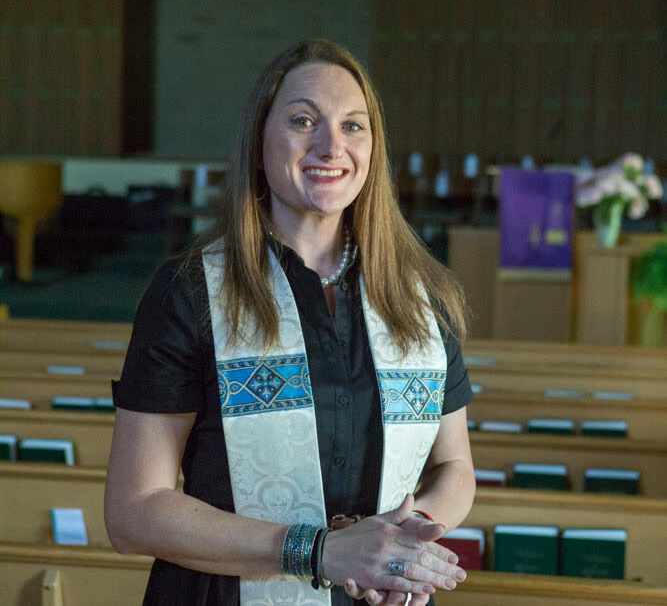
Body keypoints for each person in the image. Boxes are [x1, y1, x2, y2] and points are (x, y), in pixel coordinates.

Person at [105, 39, 476, 606]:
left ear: (373, 149)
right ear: (258, 143)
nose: (332, 146)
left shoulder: (423, 294)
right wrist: (322, 551)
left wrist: (402, 541)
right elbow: (133, 512)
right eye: (304, 120)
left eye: (354, 126)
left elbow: (454, 466)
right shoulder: (190, 292)